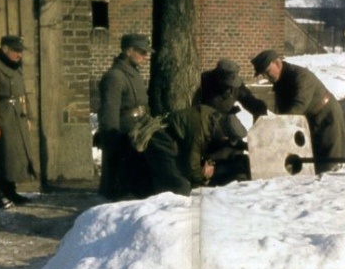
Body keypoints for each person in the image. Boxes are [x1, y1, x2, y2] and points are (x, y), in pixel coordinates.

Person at [250, 49, 345, 173]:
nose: (265, 77)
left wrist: (278, 128)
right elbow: (283, 111)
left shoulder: (301, 76)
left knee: (330, 165)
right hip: (309, 121)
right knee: (313, 166)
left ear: (278, 64)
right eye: (263, 74)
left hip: (327, 118)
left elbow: (297, 108)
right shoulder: (280, 82)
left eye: (267, 72)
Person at [139, 103, 250, 196]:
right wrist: (204, 175)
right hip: (162, 144)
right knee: (181, 187)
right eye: (226, 138)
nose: (225, 140)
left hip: (175, 144)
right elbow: (192, 166)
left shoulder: (214, 118)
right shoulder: (199, 131)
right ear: (224, 133)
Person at [0, 35, 37, 209]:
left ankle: (10, 190)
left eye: (21, 51)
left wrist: (27, 116)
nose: (20, 55)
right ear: (5, 49)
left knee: (11, 158)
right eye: (16, 51)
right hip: (1, 120)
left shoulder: (15, 68)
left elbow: (23, 95)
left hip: (15, 120)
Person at [96, 33, 154, 200]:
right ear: (129, 51)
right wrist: (111, 140)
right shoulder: (115, 76)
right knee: (120, 182)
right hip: (123, 132)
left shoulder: (133, 73)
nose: (145, 56)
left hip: (139, 126)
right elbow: (109, 113)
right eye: (141, 52)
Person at [193, 58, 268, 121]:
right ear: (219, 78)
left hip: (225, 125)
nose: (230, 88)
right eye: (227, 84)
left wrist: (260, 109)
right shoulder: (204, 81)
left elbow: (249, 100)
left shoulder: (237, 87)